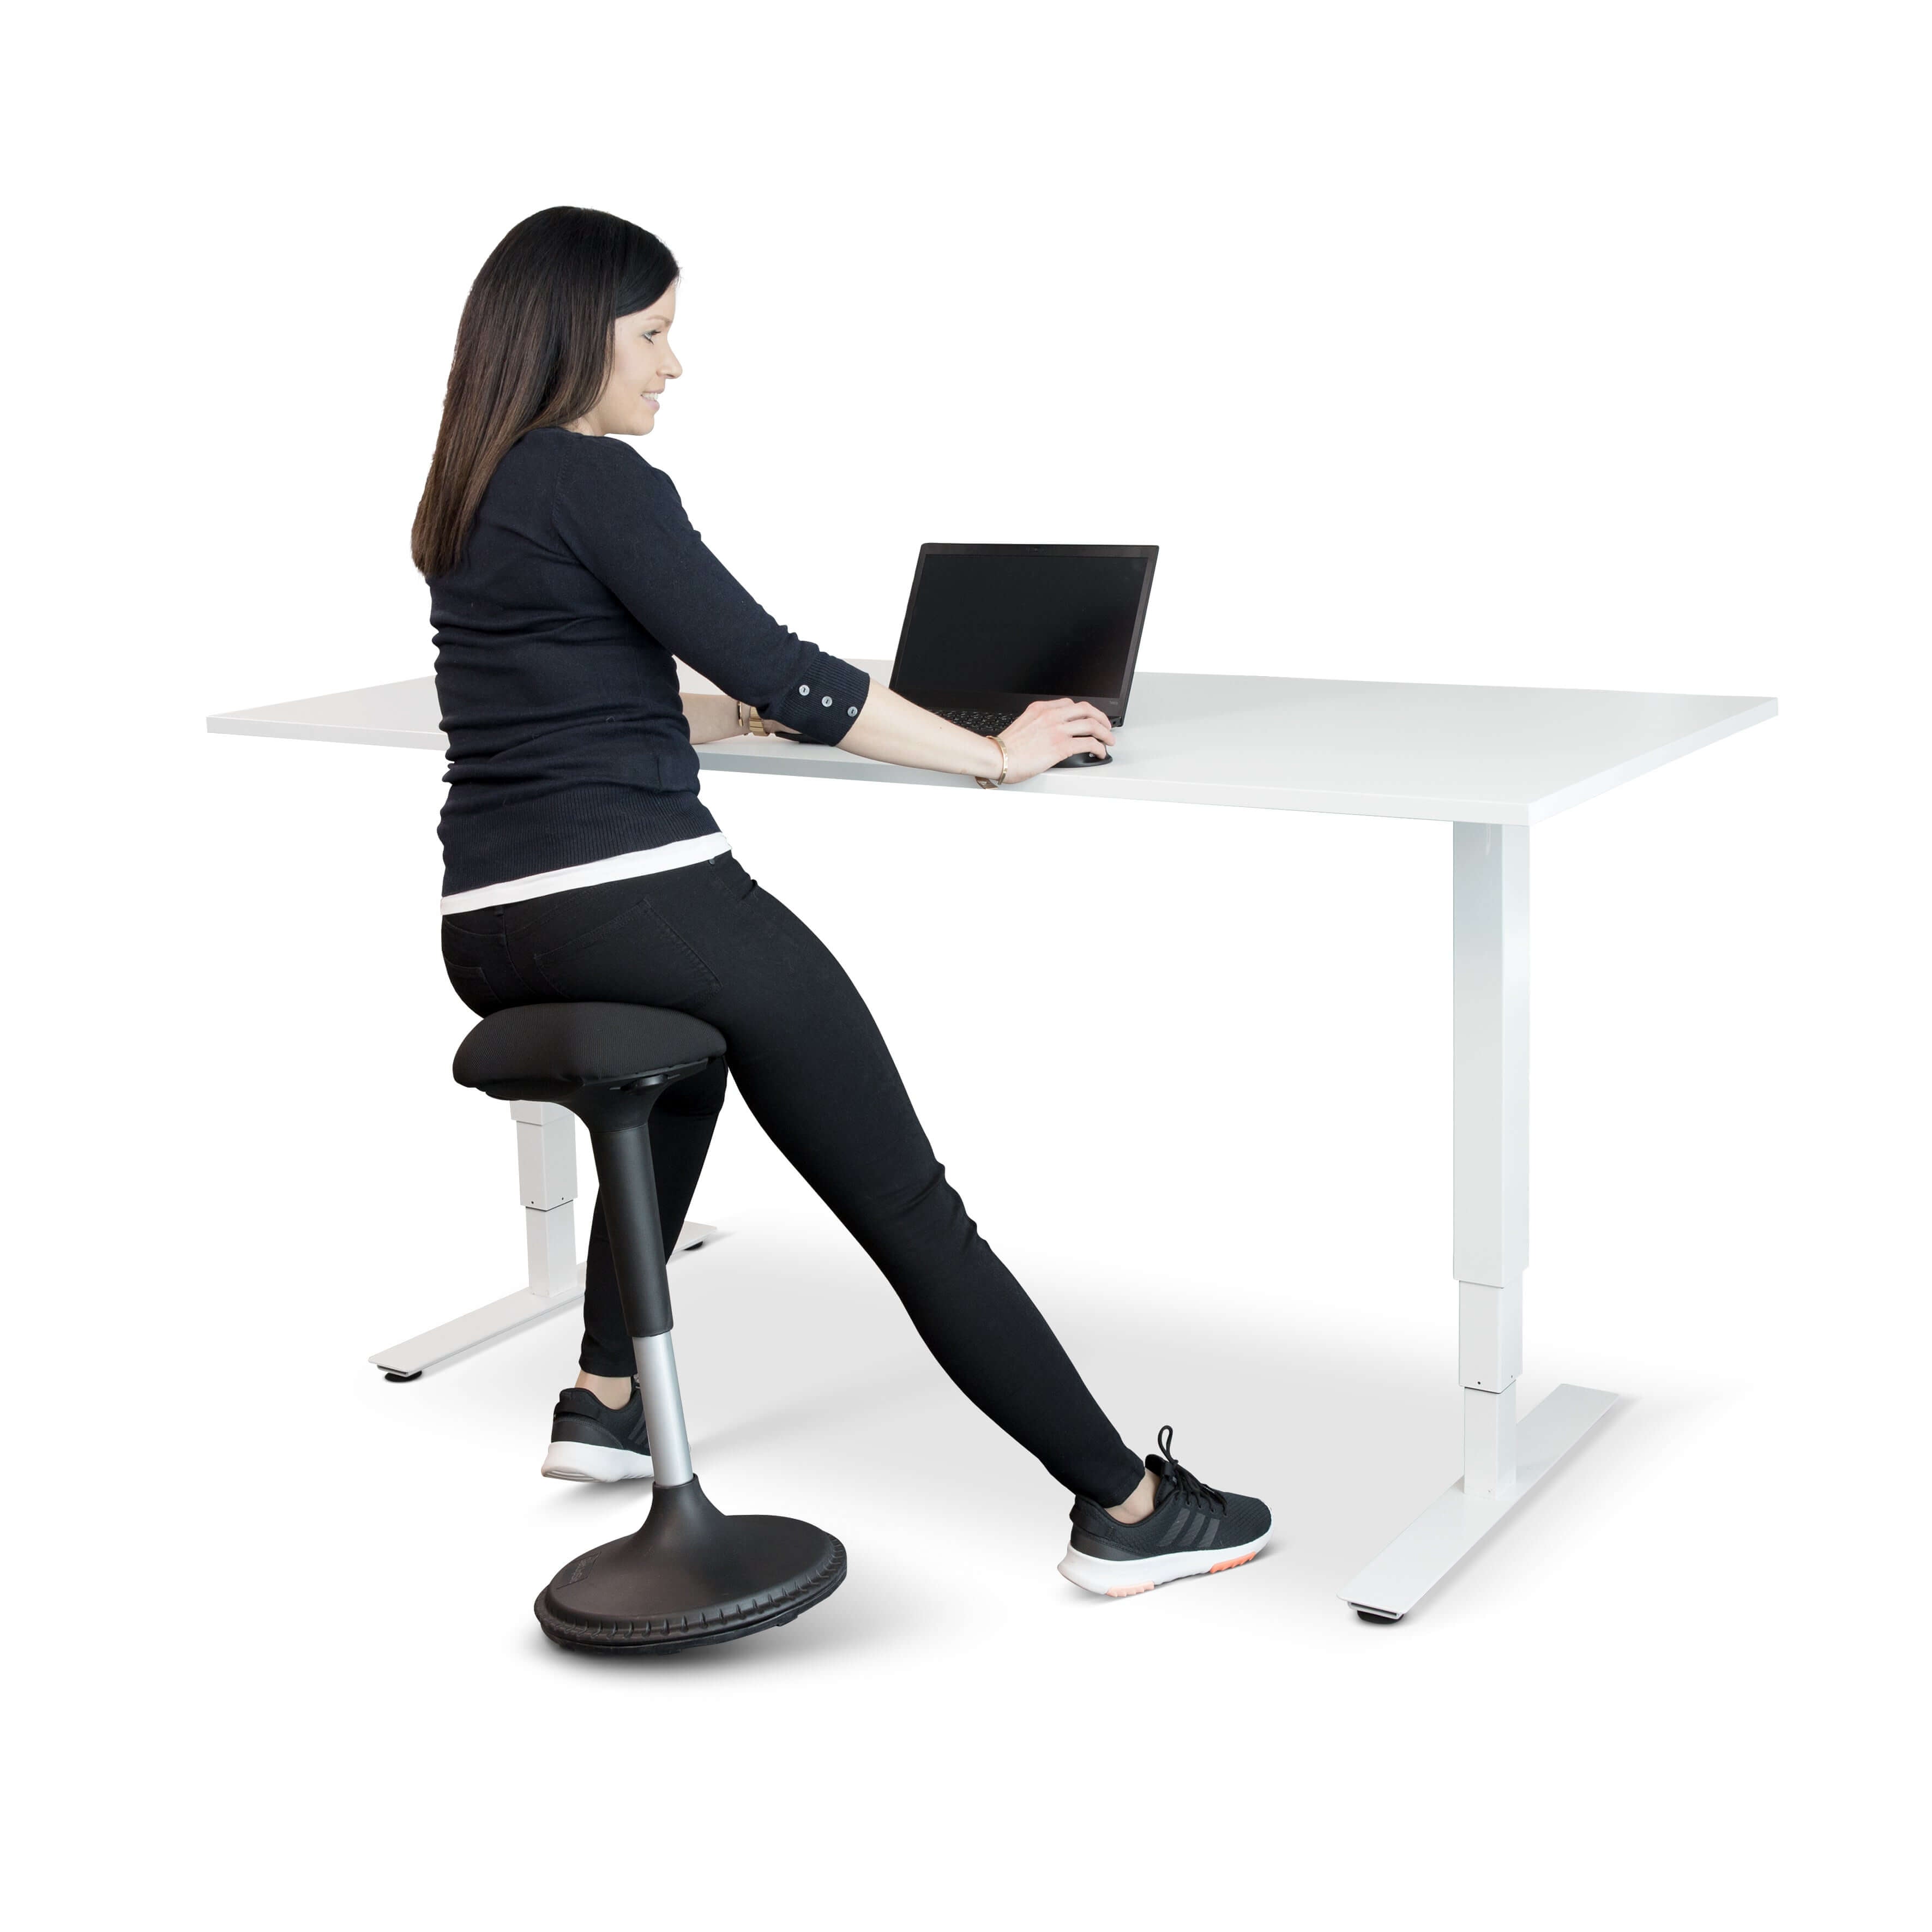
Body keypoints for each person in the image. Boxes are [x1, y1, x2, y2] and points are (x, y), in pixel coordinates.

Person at [414, 206, 1269, 1597]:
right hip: (636, 894)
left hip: (492, 924)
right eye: (654, 333)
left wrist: (729, 715)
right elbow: (807, 674)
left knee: (681, 1066)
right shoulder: (599, 479)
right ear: (578, 337)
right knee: (904, 1197)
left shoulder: (469, 492)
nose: (673, 365)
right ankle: (1124, 1504)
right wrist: (991, 752)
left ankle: (605, 1398)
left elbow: (577, 700)